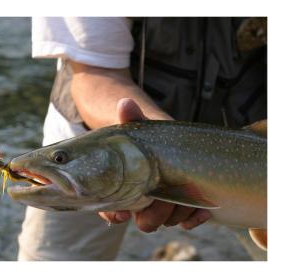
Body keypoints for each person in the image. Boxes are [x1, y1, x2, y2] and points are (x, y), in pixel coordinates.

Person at [17, 17, 267, 260]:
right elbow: (95, 76)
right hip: (101, 126)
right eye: (60, 160)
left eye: (60, 159)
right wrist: (168, 147)